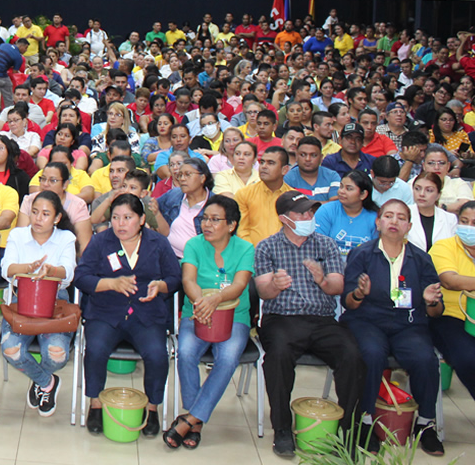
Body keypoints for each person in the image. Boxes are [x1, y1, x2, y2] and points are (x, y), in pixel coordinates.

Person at [254, 191, 363, 457]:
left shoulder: (325, 244)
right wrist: (275, 286)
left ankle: (350, 429)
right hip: (282, 318)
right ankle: (282, 428)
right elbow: (262, 292)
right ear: (284, 219)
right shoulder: (267, 247)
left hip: (322, 319)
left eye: (310, 212)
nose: (308, 217)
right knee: (277, 356)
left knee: (353, 356)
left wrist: (323, 280)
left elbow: (337, 287)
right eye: (301, 213)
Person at [340, 199, 445, 455]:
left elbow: (436, 311)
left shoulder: (421, 259)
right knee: (372, 354)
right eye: (388, 216)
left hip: (408, 323)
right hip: (367, 320)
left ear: (409, 225)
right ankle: (365, 421)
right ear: (378, 222)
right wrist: (360, 294)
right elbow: (348, 303)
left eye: (400, 217)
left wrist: (431, 301)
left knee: (425, 358)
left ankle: (425, 423)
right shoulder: (363, 254)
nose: (394, 221)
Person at [77, 193, 178, 436]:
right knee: (96, 350)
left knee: (156, 354)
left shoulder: (158, 243)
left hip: (146, 313)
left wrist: (160, 286)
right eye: (115, 218)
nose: (121, 224)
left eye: (128, 217)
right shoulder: (101, 241)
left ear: (142, 219)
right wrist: (111, 284)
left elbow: (174, 278)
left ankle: (151, 408)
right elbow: (81, 277)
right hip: (105, 312)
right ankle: (96, 405)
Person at [168, 196, 255, 449]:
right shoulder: (194, 245)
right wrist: (201, 304)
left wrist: (215, 300)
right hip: (196, 311)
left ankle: (191, 418)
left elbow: (239, 285)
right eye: (205, 218)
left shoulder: (245, 248)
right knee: (185, 352)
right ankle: (195, 423)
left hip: (234, 317)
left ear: (231, 225)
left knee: (227, 359)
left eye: (215, 220)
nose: (207, 224)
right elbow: (189, 281)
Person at [0, 191, 77, 417]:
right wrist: (28, 268)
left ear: (56, 218)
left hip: (56, 301)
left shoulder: (66, 239)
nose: (38, 218)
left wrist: (51, 271)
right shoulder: (17, 235)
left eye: (45, 214)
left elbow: (68, 273)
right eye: (34, 212)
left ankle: (39, 380)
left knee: (57, 354)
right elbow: (7, 269)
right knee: (10, 350)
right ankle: (46, 382)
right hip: (21, 300)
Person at [428, 201, 475, 417]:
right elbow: (450, 281)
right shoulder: (444, 246)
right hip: (449, 315)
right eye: (464, 222)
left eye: (474, 223)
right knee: (468, 358)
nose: (469, 227)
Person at [17, 162, 92, 256]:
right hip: (31, 254)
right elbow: (21, 236)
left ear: (65, 184)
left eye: (53, 180)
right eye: (43, 179)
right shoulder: (29, 200)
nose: (45, 184)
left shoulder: (77, 205)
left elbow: (83, 246)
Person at [155, 157, 214, 258]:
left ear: (202, 178)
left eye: (187, 175)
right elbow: (152, 207)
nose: (182, 179)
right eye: (180, 175)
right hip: (166, 254)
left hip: (199, 260)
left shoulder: (215, 204)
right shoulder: (174, 194)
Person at [235, 147, 294, 245]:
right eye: (262, 162)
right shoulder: (244, 194)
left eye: (270, 163)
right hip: (252, 254)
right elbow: (242, 230)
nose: (264, 166)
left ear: (284, 170)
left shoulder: (293, 197)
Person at [314, 171, 379, 260]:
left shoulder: (375, 217)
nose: (341, 191)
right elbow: (318, 249)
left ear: (363, 194)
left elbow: (376, 254)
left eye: (349, 189)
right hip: (331, 268)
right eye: (341, 187)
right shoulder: (326, 211)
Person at [406, 172, 456, 252]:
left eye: (429, 190)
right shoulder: (403, 214)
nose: (422, 194)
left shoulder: (450, 219)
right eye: (417, 189)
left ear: (438, 195)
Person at [284, 137, 340, 202]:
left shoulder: (332, 176)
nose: (308, 159)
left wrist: (306, 206)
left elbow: (334, 204)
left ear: (321, 158)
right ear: (296, 156)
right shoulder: (288, 178)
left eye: (313, 155)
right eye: (303, 155)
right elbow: (288, 206)